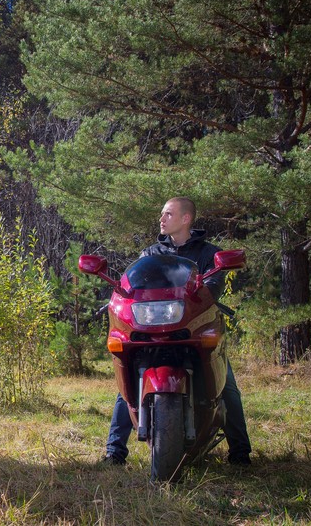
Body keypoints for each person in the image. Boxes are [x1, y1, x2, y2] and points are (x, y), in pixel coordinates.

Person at [102, 197, 252, 466]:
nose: (162, 219)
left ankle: (240, 452)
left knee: (226, 383)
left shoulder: (208, 253)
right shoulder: (150, 255)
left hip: (193, 328)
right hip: (152, 331)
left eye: (168, 214)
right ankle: (114, 451)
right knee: (127, 381)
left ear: (186, 219)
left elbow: (214, 286)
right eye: (162, 214)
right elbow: (134, 284)